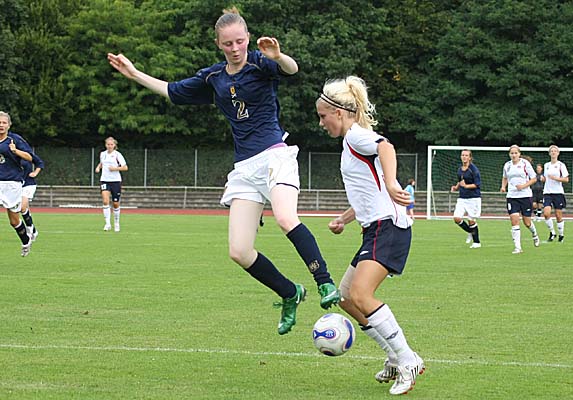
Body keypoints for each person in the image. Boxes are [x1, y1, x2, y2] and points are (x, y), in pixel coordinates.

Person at [107, 7, 340, 335]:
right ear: (218, 44)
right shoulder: (213, 77)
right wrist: (134, 74)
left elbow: (291, 69)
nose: (235, 48)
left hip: (275, 156)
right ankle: (290, 292)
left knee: (286, 218)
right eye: (228, 43)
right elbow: (172, 91)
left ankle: (324, 281)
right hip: (245, 169)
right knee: (239, 251)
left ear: (248, 38)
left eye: (240, 41)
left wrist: (278, 55)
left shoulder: (260, 63)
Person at [316, 76, 424, 396]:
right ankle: (395, 356)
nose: (321, 123)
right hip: (375, 229)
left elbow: (385, 147)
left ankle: (408, 360)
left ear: (339, 113)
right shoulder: (350, 143)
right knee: (346, 297)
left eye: (323, 116)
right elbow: (367, 192)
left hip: (387, 227)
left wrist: (391, 183)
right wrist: (344, 218)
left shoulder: (356, 136)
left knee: (361, 295)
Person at [0, 111, 34, 257]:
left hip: (12, 183)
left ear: (9, 125)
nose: (1, 125)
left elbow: (30, 157)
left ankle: (26, 240)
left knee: (14, 221)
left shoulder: (14, 140)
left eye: (4, 122)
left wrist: (16, 151)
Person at [500, 145, 540, 254]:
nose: (514, 155)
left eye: (515, 153)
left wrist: (523, 186)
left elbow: (534, 178)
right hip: (512, 197)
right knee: (514, 220)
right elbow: (505, 177)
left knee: (527, 222)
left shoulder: (525, 164)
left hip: (525, 196)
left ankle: (534, 234)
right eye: (512, 153)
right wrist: (503, 186)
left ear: (519, 154)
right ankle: (518, 247)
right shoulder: (507, 165)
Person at [95, 137, 128, 232]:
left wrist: (115, 169)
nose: (109, 146)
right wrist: (98, 167)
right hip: (105, 180)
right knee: (105, 201)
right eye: (108, 144)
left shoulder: (117, 155)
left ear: (114, 145)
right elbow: (102, 163)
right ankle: (107, 224)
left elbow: (125, 167)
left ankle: (116, 223)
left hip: (116, 181)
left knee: (115, 203)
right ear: (106, 145)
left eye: (111, 144)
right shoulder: (102, 154)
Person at [450, 149, 482, 248]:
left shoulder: (474, 170)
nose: (464, 157)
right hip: (462, 198)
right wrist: (456, 187)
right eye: (462, 155)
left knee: (471, 220)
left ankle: (476, 243)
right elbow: (460, 181)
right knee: (456, 218)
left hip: (473, 198)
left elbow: (477, 184)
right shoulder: (460, 169)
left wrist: (466, 186)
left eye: (466, 155)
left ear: (470, 157)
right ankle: (470, 231)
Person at [542, 145, 569, 242]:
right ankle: (552, 232)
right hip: (547, 192)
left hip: (558, 193)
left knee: (558, 215)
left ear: (558, 153)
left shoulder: (561, 165)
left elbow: (566, 179)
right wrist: (543, 179)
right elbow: (545, 178)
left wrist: (556, 178)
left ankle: (561, 235)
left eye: (555, 151)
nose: (553, 152)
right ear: (549, 153)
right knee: (546, 213)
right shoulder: (546, 165)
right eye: (551, 151)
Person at [20, 151, 45, 241]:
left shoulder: (27, 154)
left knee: (22, 207)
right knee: (23, 209)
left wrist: (35, 173)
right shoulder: (9, 155)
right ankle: (33, 230)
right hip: (16, 185)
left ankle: (30, 229)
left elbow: (40, 163)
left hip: (28, 184)